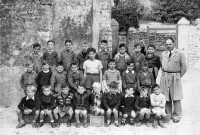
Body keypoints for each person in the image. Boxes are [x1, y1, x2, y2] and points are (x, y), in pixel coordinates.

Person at [160, 37, 187, 123]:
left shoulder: (180, 54)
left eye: (170, 44)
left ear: (174, 44)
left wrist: (178, 76)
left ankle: (177, 115)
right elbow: (162, 65)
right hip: (165, 75)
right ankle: (168, 114)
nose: (168, 46)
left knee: (176, 95)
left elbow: (184, 67)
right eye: (166, 44)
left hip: (175, 76)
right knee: (166, 95)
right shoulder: (163, 54)